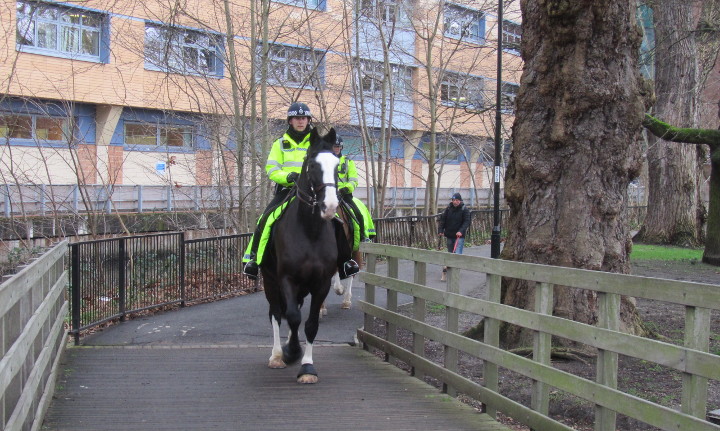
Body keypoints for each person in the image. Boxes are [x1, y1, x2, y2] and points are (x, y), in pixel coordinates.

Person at [242, 102, 360, 280]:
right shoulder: (280, 144)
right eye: (297, 118)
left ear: (308, 120)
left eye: (303, 118)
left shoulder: (316, 142)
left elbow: (327, 165)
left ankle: (346, 262)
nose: (300, 121)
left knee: (339, 220)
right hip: (288, 190)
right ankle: (253, 259)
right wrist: (288, 176)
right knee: (265, 218)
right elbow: (272, 169)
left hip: (315, 192)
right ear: (290, 121)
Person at [333, 136, 368, 243]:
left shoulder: (348, 162)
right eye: (334, 146)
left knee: (357, 212)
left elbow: (353, 180)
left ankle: (363, 235)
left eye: (338, 147)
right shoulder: (324, 162)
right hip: (328, 194)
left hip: (343, 195)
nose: (336, 149)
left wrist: (346, 188)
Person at [438, 192, 471, 281]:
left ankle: (455, 271)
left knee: (457, 253)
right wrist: (440, 230)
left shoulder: (464, 209)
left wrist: (461, 231)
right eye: (453, 200)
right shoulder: (448, 209)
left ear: (460, 201)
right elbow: (443, 220)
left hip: (459, 236)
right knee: (450, 253)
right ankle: (448, 270)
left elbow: (467, 222)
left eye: (456, 200)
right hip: (449, 234)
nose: (455, 202)